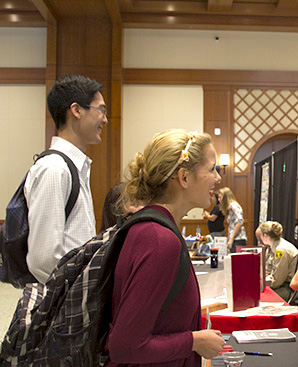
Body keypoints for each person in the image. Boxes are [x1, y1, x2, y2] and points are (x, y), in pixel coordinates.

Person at [105, 129, 225, 366]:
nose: (218, 178)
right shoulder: (159, 239)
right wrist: (194, 341)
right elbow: (125, 346)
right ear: (184, 177)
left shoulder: (156, 231)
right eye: (212, 169)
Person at [25, 74, 107, 284]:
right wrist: (78, 293)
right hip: (66, 304)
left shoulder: (73, 166)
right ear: (76, 110)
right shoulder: (54, 169)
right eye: (101, 110)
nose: (105, 120)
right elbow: (42, 260)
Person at [255, 221, 298, 301]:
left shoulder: (281, 250)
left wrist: (260, 284)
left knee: (260, 297)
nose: (260, 241)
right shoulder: (271, 248)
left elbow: (277, 281)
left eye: (261, 237)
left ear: (265, 236)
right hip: (283, 285)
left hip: (291, 288)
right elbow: (267, 271)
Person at [219, 187, 247, 253]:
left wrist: (231, 238)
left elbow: (240, 222)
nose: (219, 200)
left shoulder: (233, 205)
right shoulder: (230, 207)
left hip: (238, 239)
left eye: (220, 197)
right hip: (235, 239)